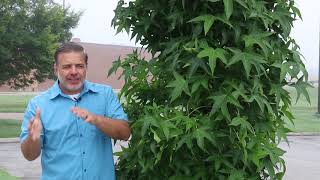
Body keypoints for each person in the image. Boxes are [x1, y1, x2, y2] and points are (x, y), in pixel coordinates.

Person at [20, 42, 131, 179]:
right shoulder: (38, 105)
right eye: (67, 66)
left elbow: (125, 133)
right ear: (56, 68)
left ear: (86, 68)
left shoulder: (105, 95)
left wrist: (97, 120)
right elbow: (29, 155)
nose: (74, 72)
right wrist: (33, 138)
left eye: (79, 66)